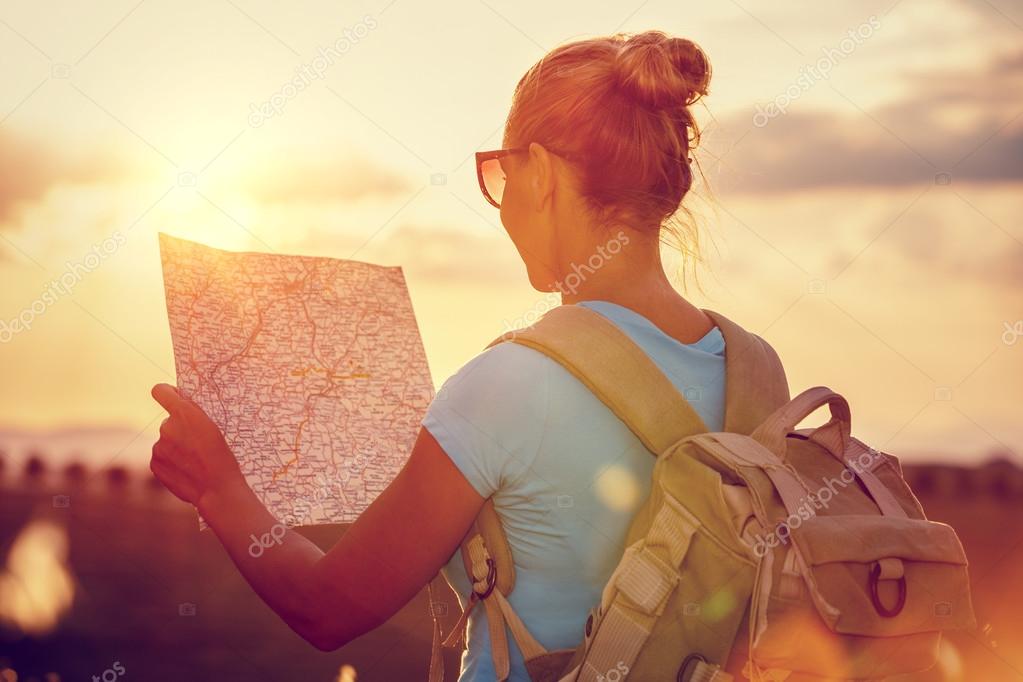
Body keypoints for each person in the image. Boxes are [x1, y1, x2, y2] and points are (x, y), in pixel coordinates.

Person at [150, 29, 720, 681]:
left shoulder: (508, 385)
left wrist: (218, 488)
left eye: (501, 173)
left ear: (543, 176)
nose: (501, 204)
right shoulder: (752, 365)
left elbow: (325, 609)